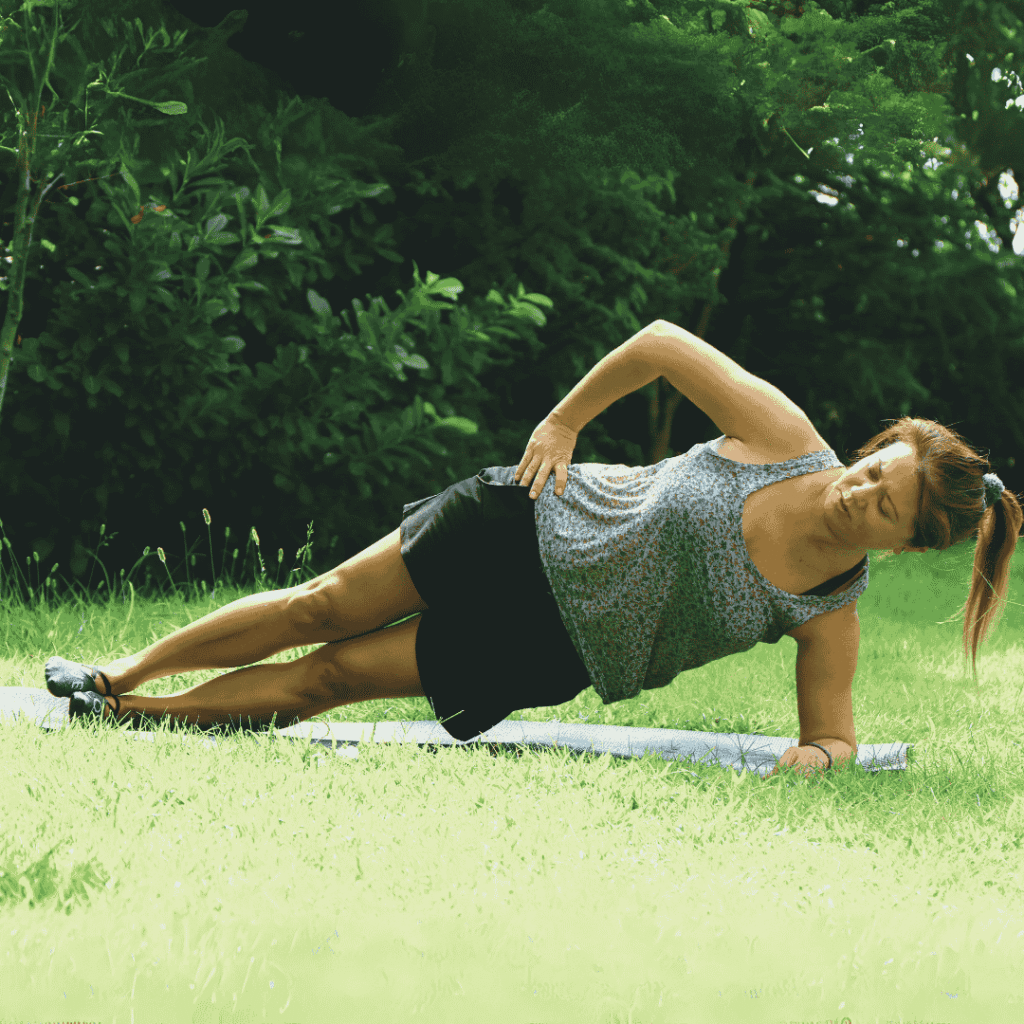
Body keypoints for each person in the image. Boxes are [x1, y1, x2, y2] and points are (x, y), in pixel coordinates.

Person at [45, 321, 1022, 778]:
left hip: (553, 647)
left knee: (326, 682)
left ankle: (134, 717)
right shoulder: (782, 437)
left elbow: (834, 735)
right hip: (531, 523)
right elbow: (659, 343)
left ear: (903, 543)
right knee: (319, 607)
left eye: (883, 504)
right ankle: (117, 673)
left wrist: (820, 762)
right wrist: (560, 423)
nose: (860, 493)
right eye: (872, 469)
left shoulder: (828, 612)